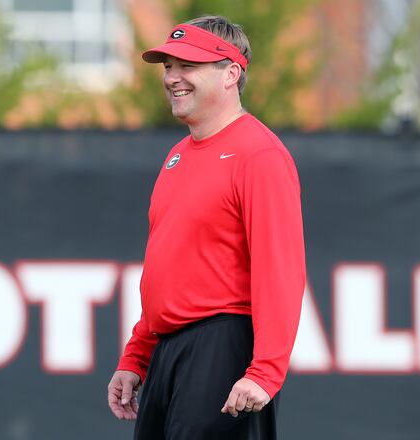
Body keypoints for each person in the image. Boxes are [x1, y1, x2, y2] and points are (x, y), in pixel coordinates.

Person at [106, 15, 306, 440]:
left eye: (188, 66)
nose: (172, 78)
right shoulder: (177, 156)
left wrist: (265, 372)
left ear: (231, 74)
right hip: (168, 351)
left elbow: (281, 271)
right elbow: (170, 271)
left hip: (223, 347)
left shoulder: (259, 155)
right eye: (168, 67)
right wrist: (137, 357)